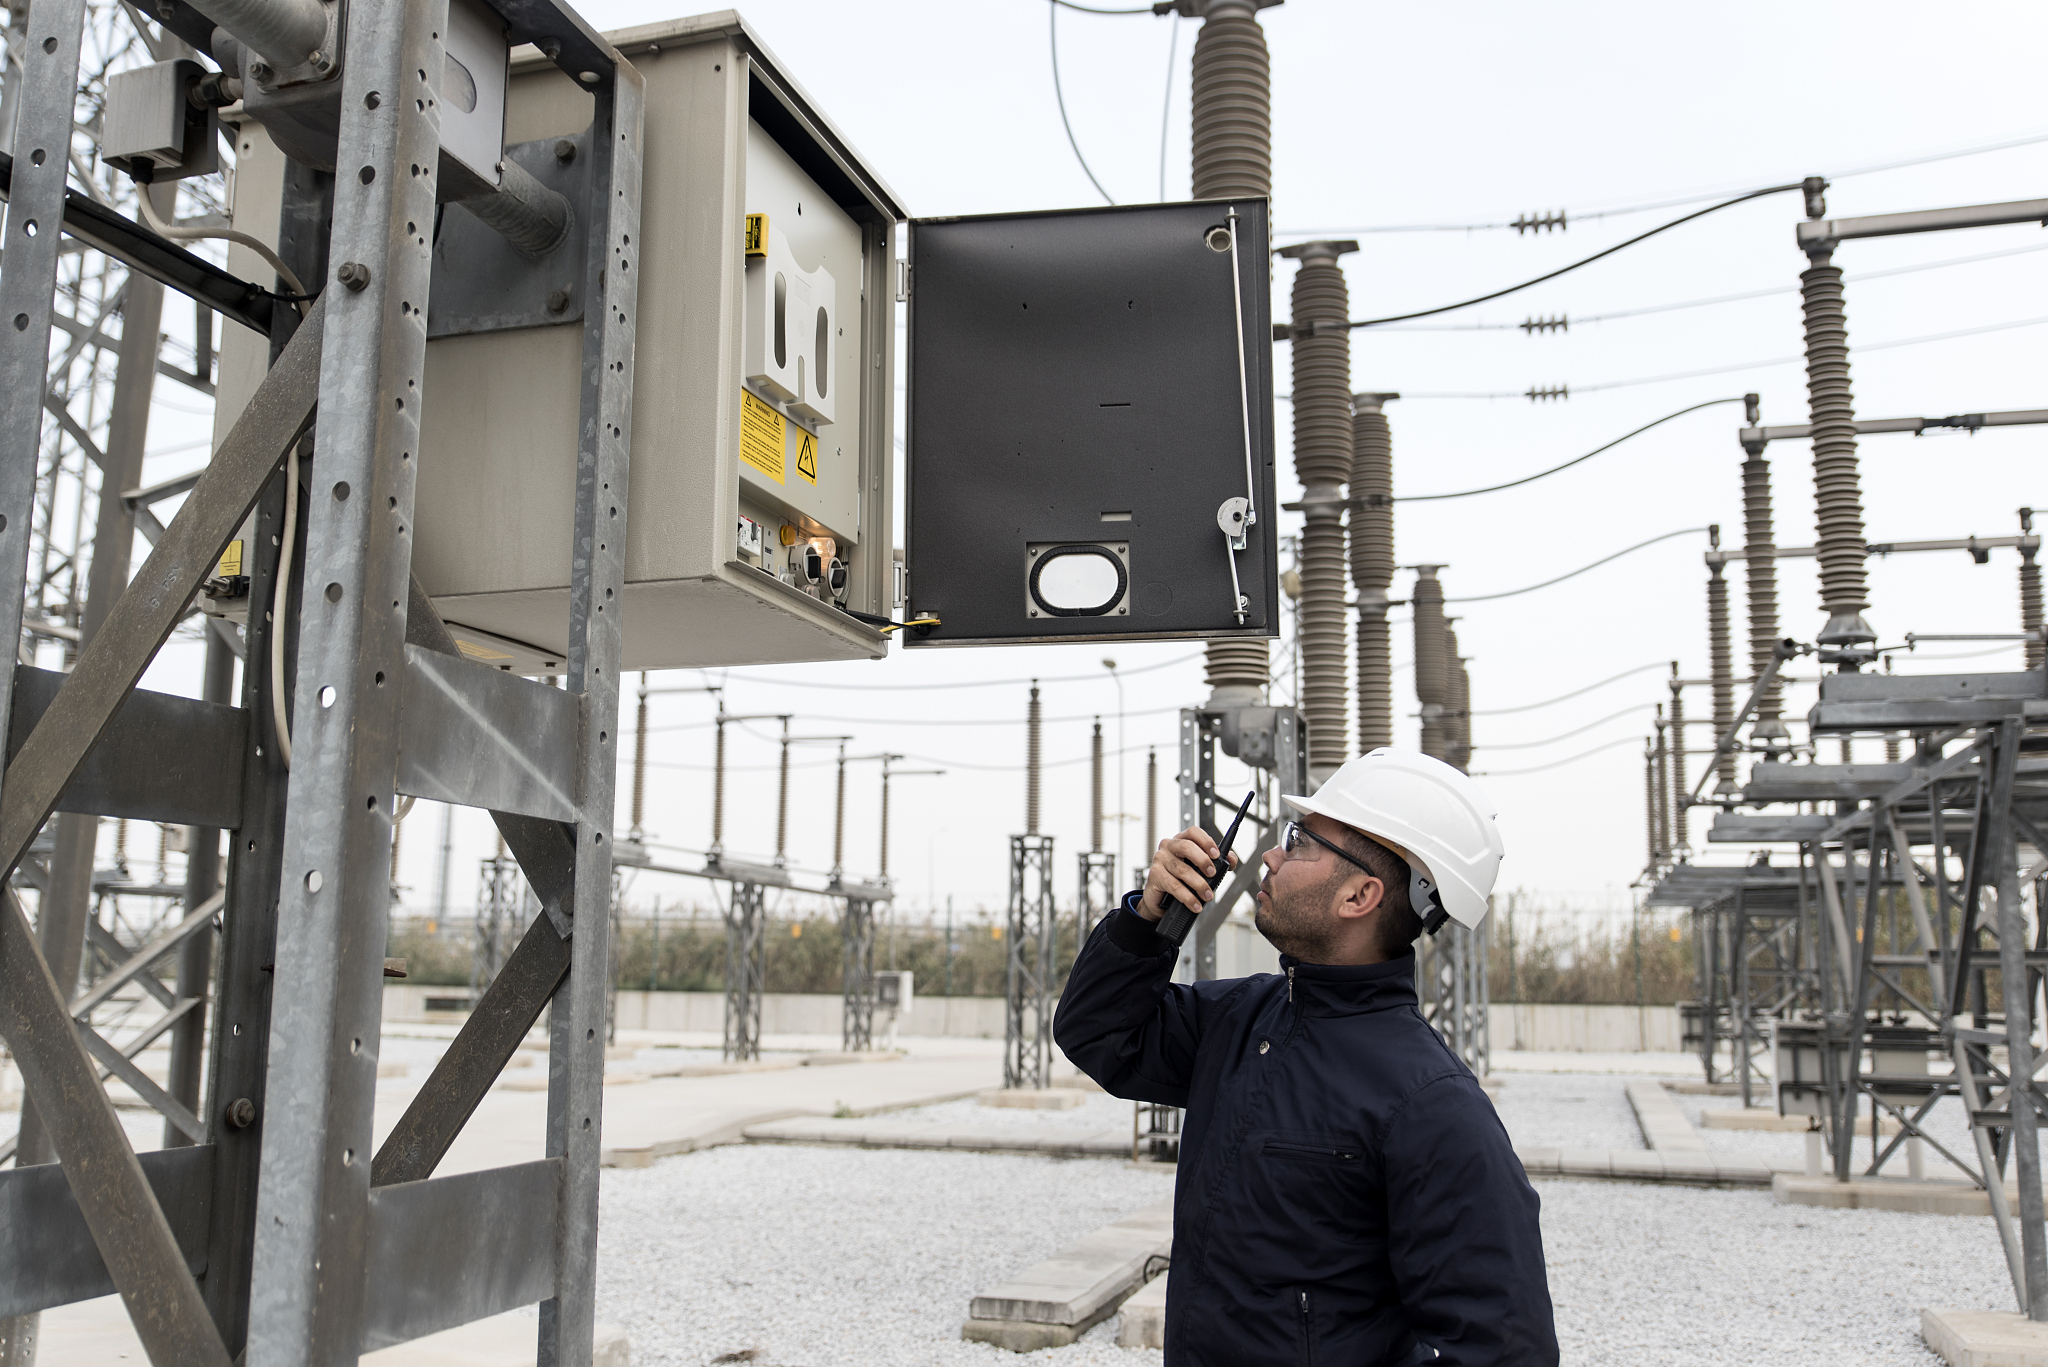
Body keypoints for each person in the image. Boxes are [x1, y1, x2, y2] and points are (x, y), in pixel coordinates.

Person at [1055, 749, 1557, 1366]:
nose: (1269, 855)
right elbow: (1099, 1035)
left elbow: (1503, 1349)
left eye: (1299, 841)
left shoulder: (1432, 1105)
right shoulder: (1238, 1020)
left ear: (1360, 895)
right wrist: (1148, 921)